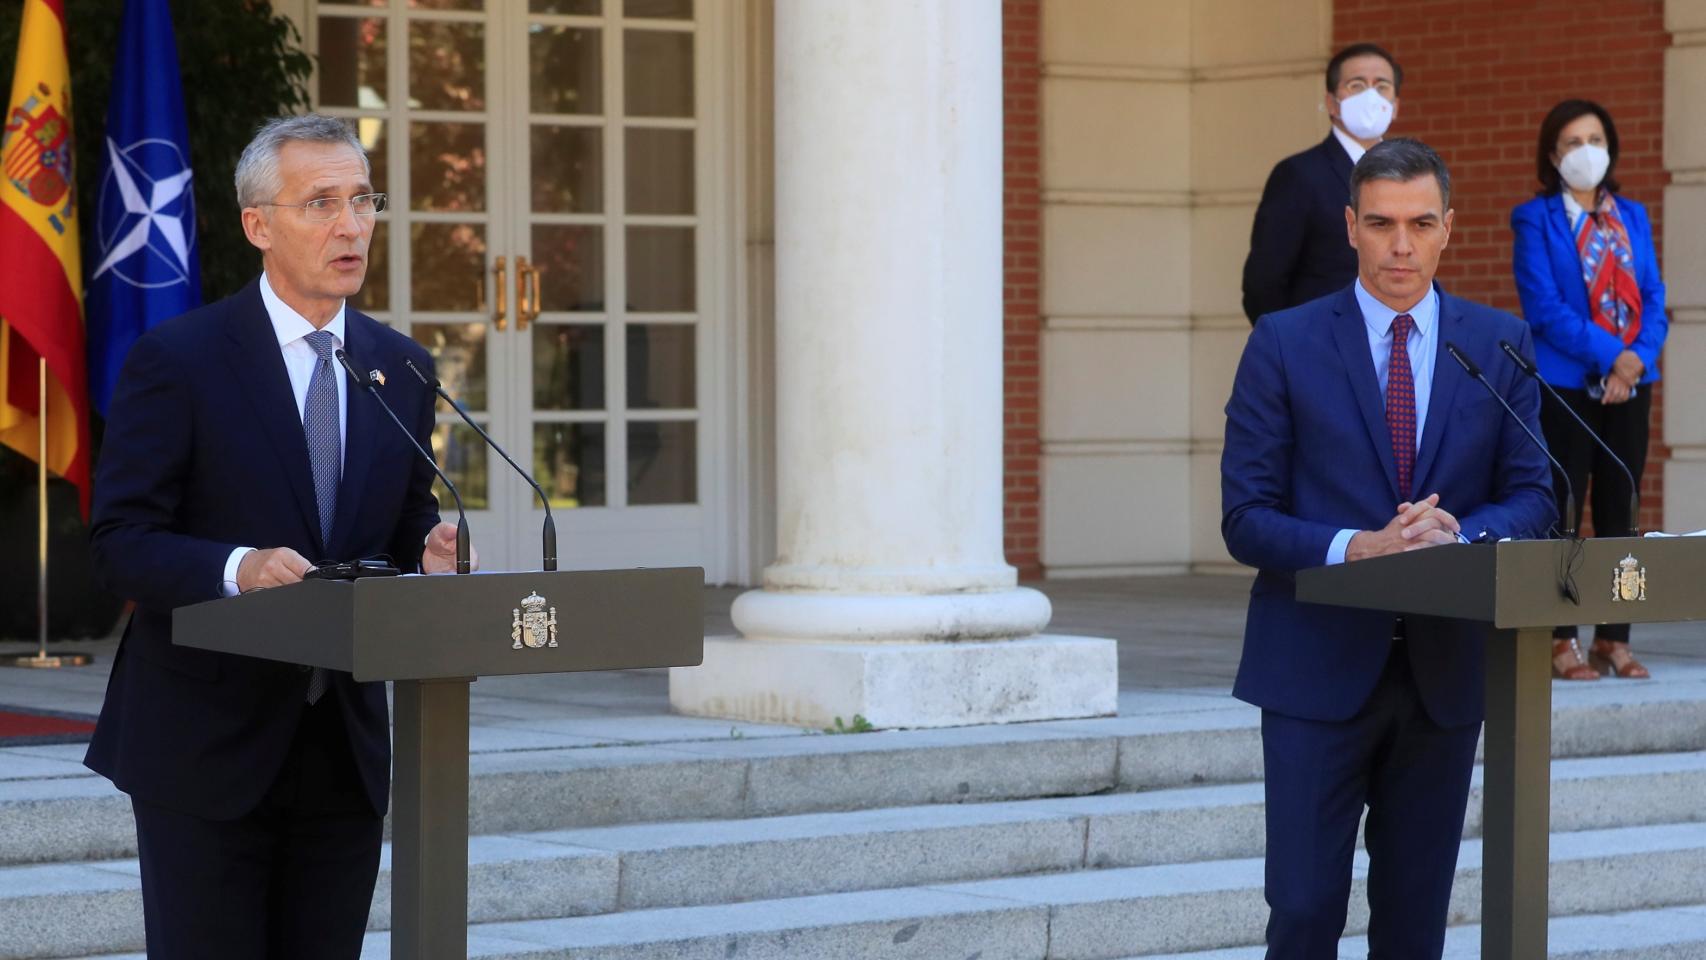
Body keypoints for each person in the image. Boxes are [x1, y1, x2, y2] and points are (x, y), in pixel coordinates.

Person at [84, 114, 476, 958]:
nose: (350, 225)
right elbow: (120, 539)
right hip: (205, 745)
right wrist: (238, 567)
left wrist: (426, 549)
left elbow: (403, 514)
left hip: (343, 747)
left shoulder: (399, 367)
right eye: (321, 203)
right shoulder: (180, 359)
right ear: (258, 225)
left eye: (363, 201)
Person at [1222, 139, 1556, 957]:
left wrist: (1460, 534)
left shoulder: (1499, 343)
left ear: (1449, 227)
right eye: (1380, 223)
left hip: (1443, 679)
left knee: (1413, 928)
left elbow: (1535, 495)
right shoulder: (1284, 341)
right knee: (1302, 911)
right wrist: (1357, 547)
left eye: (1419, 223)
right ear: (1349, 226)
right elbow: (1246, 515)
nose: (1400, 245)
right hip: (1313, 672)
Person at [1512, 99, 1665, 681]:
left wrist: (1636, 361)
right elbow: (1544, 309)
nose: (1585, 151)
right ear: (1553, 155)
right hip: (1567, 384)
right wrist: (1614, 357)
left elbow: (1654, 298)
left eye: (1594, 138)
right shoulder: (1535, 218)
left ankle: (1612, 637)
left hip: (1632, 385)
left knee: (1620, 510)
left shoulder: (1632, 215)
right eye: (1572, 142)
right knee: (1565, 508)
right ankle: (1559, 637)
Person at [1241, 43, 1403, 325]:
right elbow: (1263, 283)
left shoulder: (1410, 176)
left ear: (1395, 105)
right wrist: (1291, 349)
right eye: (1356, 85)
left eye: (1381, 86)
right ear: (1331, 103)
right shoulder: (1298, 175)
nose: (1369, 95)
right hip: (1321, 349)